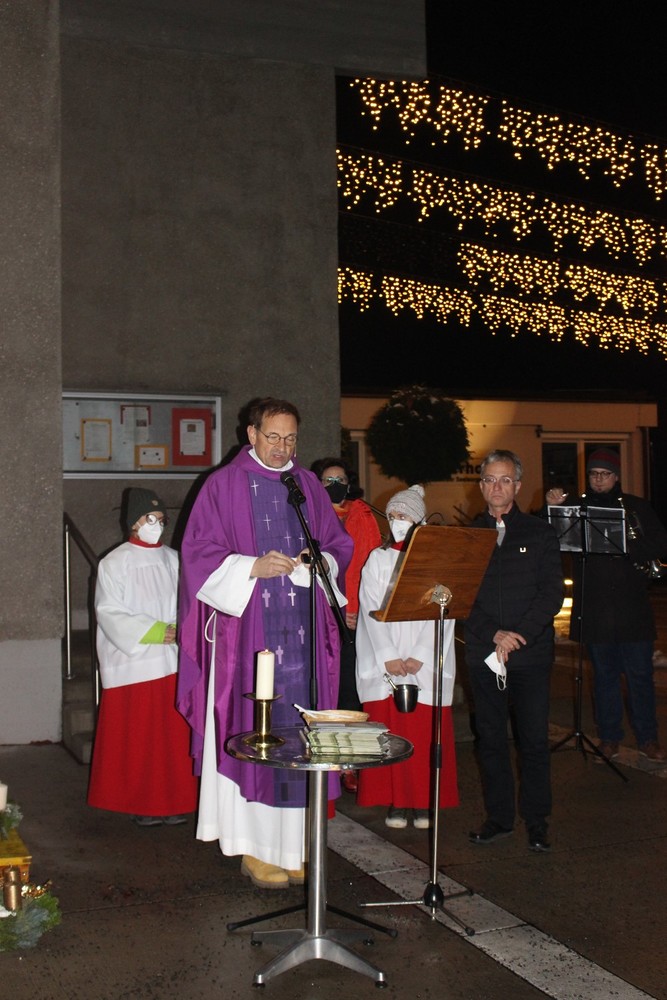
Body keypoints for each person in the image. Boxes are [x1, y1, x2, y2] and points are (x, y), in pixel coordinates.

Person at [177, 398, 353, 890]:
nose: (282, 448)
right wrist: (250, 566)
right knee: (253, 729)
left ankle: (293, 849)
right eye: (273, 437)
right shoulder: (223, 485)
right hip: (247, 634)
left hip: (301, 632)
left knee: (299, 733)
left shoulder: (307, 485)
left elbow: (336, 544)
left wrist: (316, 562)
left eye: (290, 438)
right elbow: (196, 554)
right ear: (251, 434)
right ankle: (254, 849)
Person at [465, 450, 563, 853]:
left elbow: (551, 593)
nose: (497, 487)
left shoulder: (540, 533)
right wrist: (494, 634)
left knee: (534, 741)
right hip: (484, 654)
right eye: (490, 479)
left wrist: (517, 635)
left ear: (518, 486)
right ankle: (499, 819)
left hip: (530, 654)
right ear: (481, 485)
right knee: (490, 740)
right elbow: (460, 597)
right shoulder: (468, 535)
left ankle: (537, 821)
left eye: (505, 479)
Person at [546, 447, 667, 762]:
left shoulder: (636, 506)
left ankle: (648, 738)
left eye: (605, 474)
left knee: (640, 676)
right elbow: (548, 535)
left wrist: (626, 543)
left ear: (616, 476)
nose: (598, 480)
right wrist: (551, 505)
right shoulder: (577, 507)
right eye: (594, 474)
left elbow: (660, 542)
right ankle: (610, 737)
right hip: (596, 607)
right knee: (604, 676)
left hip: (632, 608)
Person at [88, 488, 198, 826]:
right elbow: (108, 610)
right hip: (135, 663)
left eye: (161, 519)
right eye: (150, 518)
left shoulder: (175, 559)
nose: (157, 525)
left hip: (173, 661)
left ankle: (176, 801)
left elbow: (190, 600)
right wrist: (153, 631)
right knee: (141, 739)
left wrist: (182, 627)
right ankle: (142, 804)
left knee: (172, 739)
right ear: (133, 522)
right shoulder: (114, 562)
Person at [355, 485, 459, 829]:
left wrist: (421, 655)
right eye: (394, 515)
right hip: (387, 662)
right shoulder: (378, 559)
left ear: (420, 521)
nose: (398, 521)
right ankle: (397, 802)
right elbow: (370, 607)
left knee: (424, 734)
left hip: (421, 660)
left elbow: (445, 610)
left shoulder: (436, 559)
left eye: (405, 516)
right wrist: (387, 655)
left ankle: (424, 802)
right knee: (392, 733)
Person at [310, 457, 381, 713]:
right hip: (320, 610)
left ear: (349, 484)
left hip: (353, 612)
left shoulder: (362, 515)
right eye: (328, 480)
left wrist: (356, 608)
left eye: (340, 480)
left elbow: (370, 565)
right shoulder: (309, 514)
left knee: (349, 679)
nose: (335, 484)